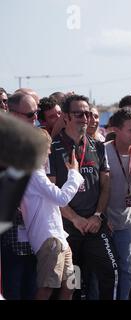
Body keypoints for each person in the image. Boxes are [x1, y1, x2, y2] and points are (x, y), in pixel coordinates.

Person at [49, 94, 118, 300]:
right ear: (66, 117)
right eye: (78, 113)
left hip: (94, 224)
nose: (85, 118)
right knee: (73, 281)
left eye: (87, 113)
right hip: (67, 228)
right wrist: (75, 219)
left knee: (110, 271)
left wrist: (97, 215)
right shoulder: (52, 148)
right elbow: (51, 193)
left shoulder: (97, 146)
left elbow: (105, 185)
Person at [21, 129, 84, 300]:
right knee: (47, 289)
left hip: (59, 238)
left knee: (71, 285)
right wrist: (74, 174)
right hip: (50, 241)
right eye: (46, 148)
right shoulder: (34, 174)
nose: (49, 152)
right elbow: (62, 199)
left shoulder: (35, 173)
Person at [1, 92, 40, 300]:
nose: (36, 118)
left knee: (32, 288)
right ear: (13, 114)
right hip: (9, 234)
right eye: (31, 114)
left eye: (37, 113)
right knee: (12, 288)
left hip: (34, 230)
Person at [104, 108, 131, 300]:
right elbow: (96, 189)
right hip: (104, 220)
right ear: (116, 130)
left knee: (126, 268)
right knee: (104, 268)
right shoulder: (103, 152)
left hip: (127, 220)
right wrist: (102, 217)